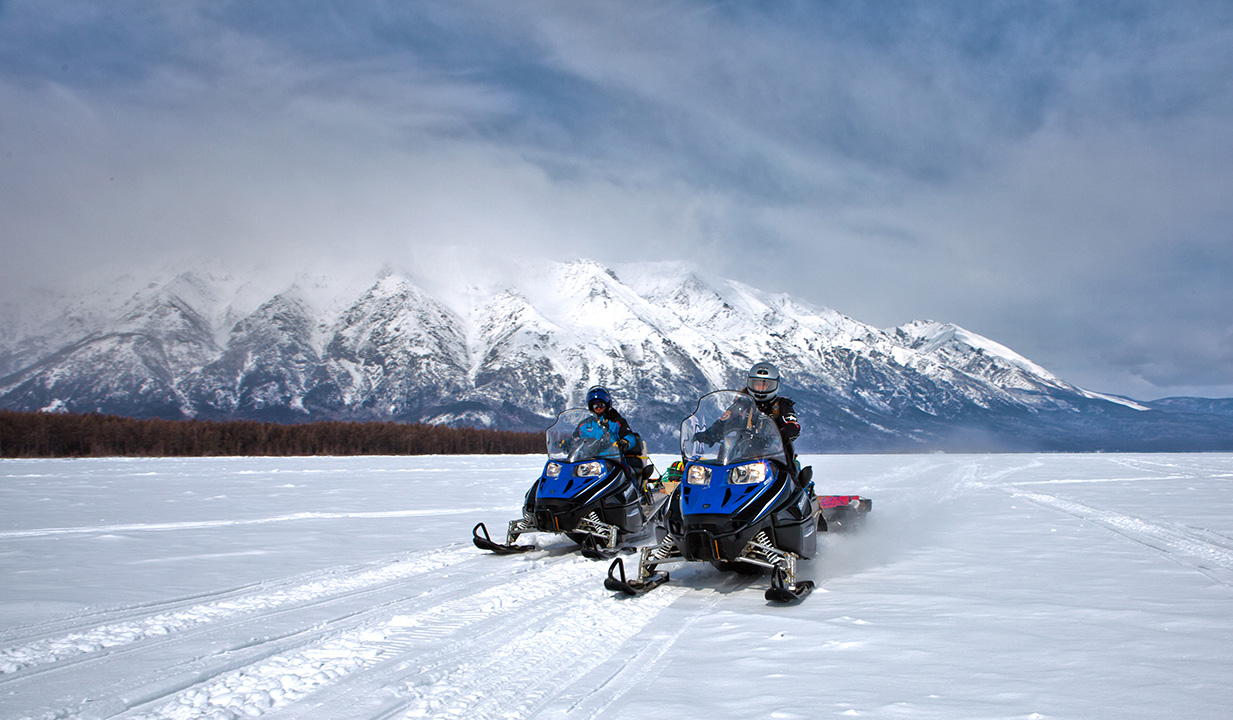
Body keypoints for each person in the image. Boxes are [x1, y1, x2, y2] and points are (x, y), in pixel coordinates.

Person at [692, 362, 803, 479]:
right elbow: (725, 422)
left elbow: (792, 424)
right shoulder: (741, 405)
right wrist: (709, 434)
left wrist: (783, 435)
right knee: (720, 469)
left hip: (773, 455)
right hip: (742, 453)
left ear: (774, 385)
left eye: (765, 385)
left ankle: (797, 490)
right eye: (757, 384)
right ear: (750, 383)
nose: (761, 388)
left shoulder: (782, 405)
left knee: (786, 474)